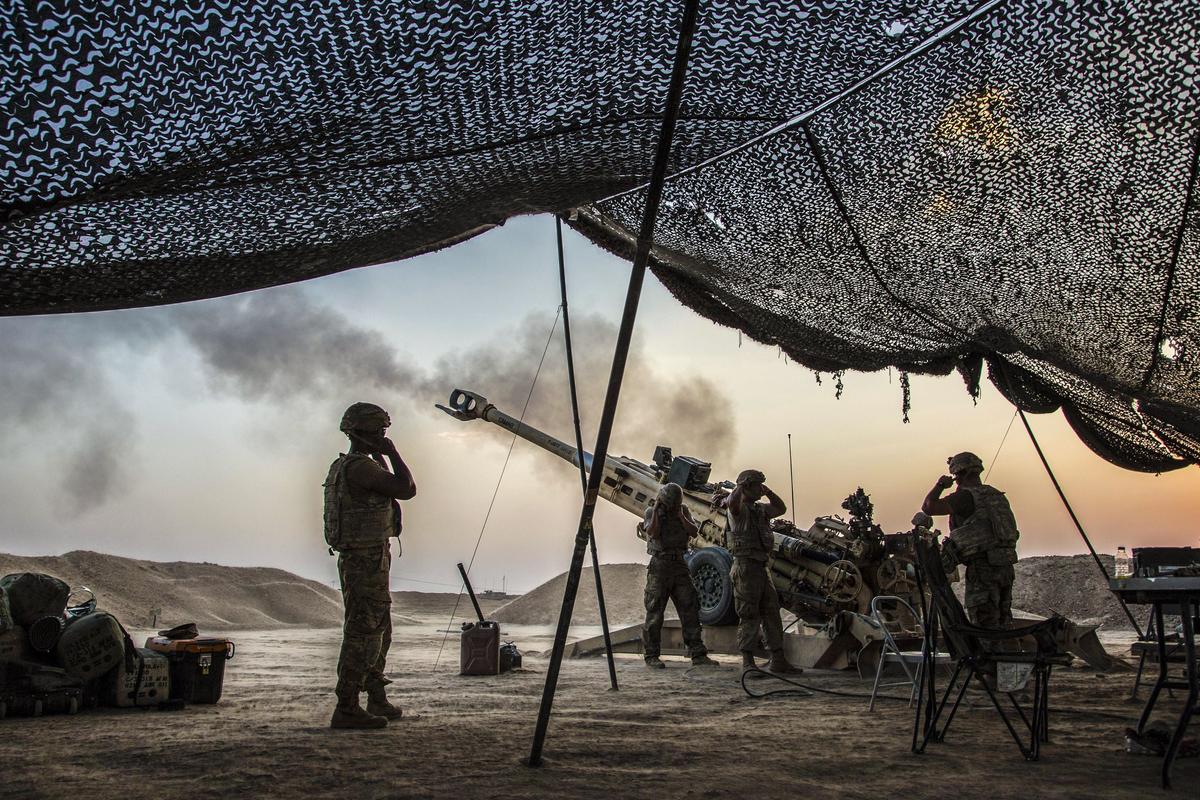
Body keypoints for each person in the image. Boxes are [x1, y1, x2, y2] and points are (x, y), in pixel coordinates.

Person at [323, 402, 417, 729]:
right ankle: (347, 705)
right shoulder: (360, 467)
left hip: (368, 557)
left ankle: (375, 694)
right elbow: (407, 489)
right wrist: (392, 453)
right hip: (365, 560)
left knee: (380, 629)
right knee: (364, 631)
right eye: (379, 432)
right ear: (365, 434)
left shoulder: (349, 465)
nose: (383, 436)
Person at [921, 451, 1020, 628]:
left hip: (982, 568)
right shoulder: (995, 495)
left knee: (984, 624)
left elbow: (928, 507)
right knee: (1003, 621)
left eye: (956, 476)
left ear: (961, 474)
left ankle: (993, 654)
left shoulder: (965, 497)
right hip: (1004, 566)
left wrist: (941, 485)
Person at [726, 469, 799, 674]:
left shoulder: (759, 509)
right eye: (757, 485)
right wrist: (741, 485)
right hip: (745, 567)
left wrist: (768, 492)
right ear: (747, 487)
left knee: (771, 613)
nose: (760, 489)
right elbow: (732, 503)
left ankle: (778, 659)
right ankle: (748, 663)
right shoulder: (737, 510)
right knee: (749, 614)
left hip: (761, 566)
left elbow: (780, 508)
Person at [639, 483, 718, 669]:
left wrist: (681, 515)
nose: (673, 506)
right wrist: (658, 509)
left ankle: (697, 653)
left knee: (689, 607)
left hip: (679, 564)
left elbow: (693, 531)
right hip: (660, 565)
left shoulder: (682, 511)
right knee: (655, 611)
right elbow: (652, 532)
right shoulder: (652, 512)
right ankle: (651, 655)